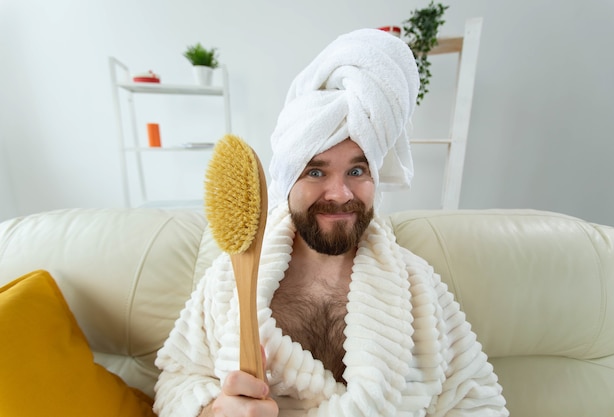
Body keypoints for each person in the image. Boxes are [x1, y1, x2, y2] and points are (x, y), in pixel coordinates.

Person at [153, 28, 508, 417]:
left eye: (357, 170)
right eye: (316, 173)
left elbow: (476, 399)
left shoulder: (416, 285)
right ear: (287, 182)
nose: (340, 194)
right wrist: (212, 412)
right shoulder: (230, 279)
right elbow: (178, 379)